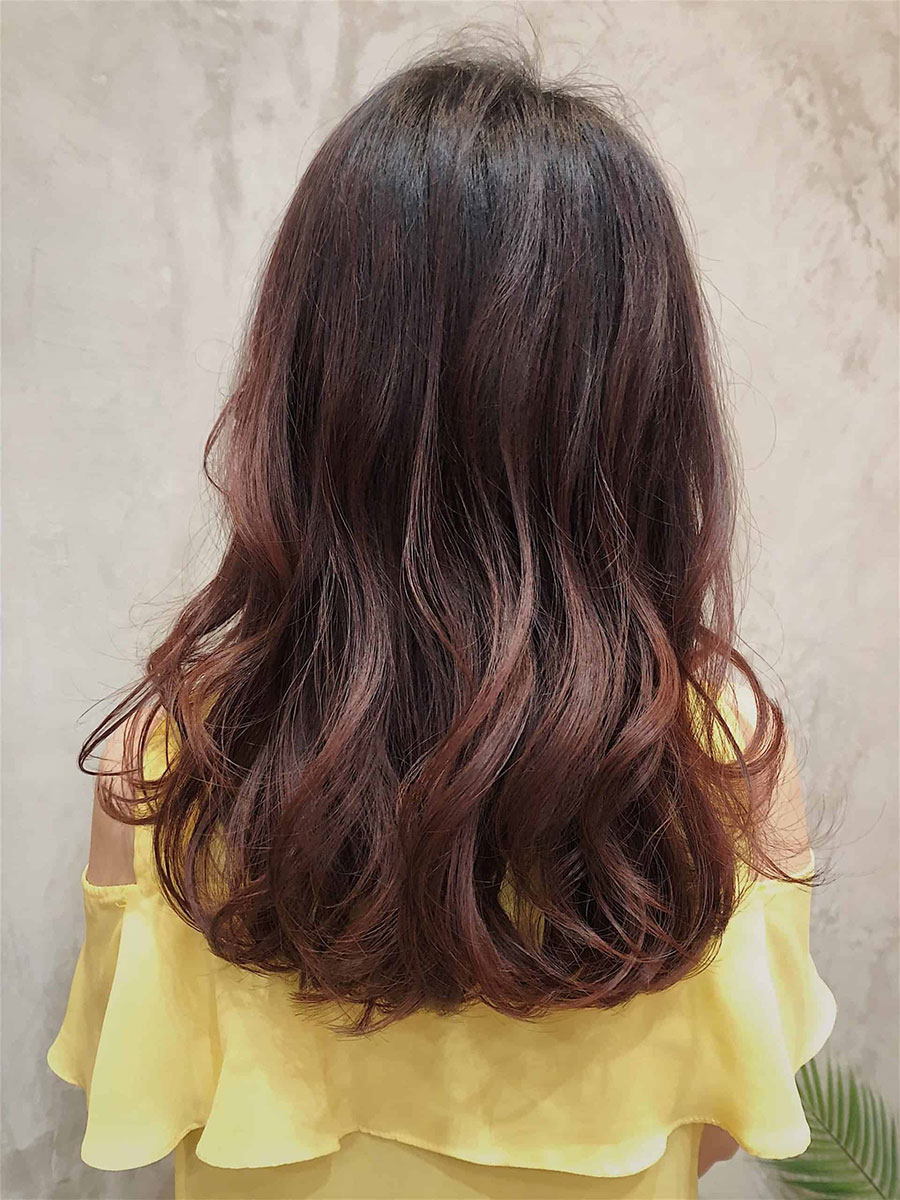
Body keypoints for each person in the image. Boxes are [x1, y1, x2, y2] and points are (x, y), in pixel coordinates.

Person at [47, 38, 837, 1200]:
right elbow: (716, 1125)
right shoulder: (723, 763)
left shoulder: (172, 766)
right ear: (646, 403)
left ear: (311, 378)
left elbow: (143, 1100)